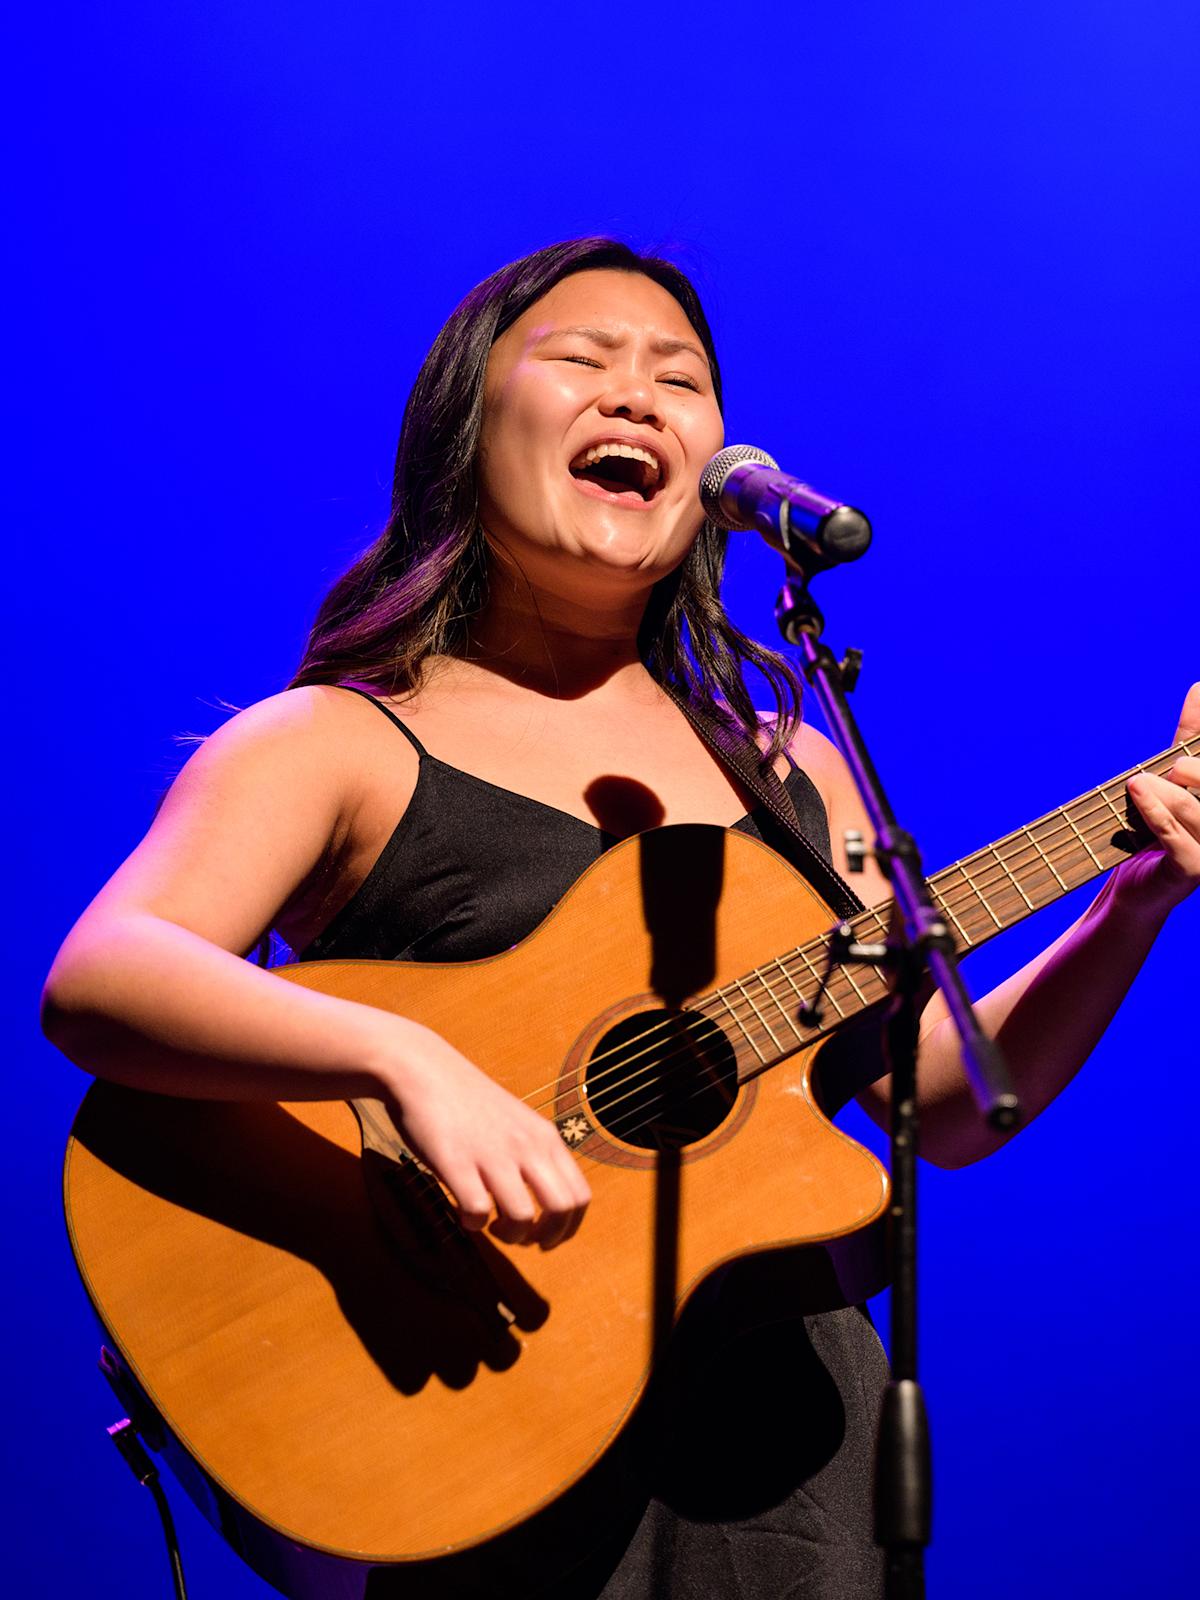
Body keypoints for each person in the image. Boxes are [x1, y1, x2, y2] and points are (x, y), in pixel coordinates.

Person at [42, 238, 1200, 1598]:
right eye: (582, 360)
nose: (638, 397)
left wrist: (1134, 899)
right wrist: (407, 1062)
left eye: (680, 380)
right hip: (469, 1418)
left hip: (787, 1470)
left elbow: (935, 1103)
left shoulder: (793, 770)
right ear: (468, 425)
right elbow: (105, 974)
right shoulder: (335, 743)